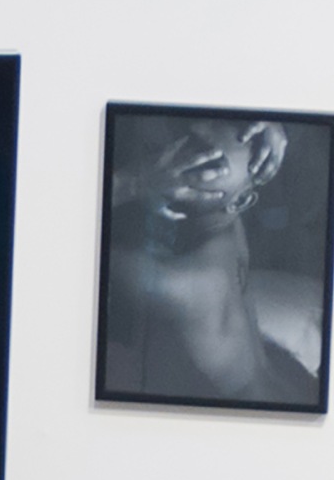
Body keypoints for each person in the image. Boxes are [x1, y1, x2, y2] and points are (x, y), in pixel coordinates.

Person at [103, 116, 321, 405]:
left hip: (256, 404)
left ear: (240, 203)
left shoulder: (178, 283)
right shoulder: (227, 224)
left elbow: (68, 242)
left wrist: (136, 183)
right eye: (190, 142)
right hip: (275, 375)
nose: (176, 162)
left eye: (209, 164)